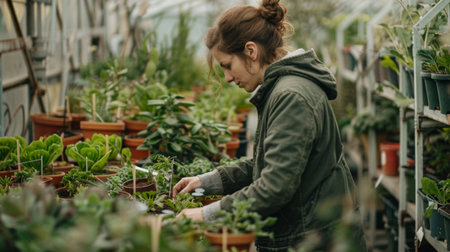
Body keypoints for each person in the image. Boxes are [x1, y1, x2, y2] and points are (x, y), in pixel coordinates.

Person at [173, 0, 366, 251]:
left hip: (313, 239)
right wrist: (207, 181)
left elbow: (275, 186)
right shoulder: (284, 88)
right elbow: (268, 162)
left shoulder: (291, 96)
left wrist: (206, 214)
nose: (228, 78)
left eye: (228, 66)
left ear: (251, 51)